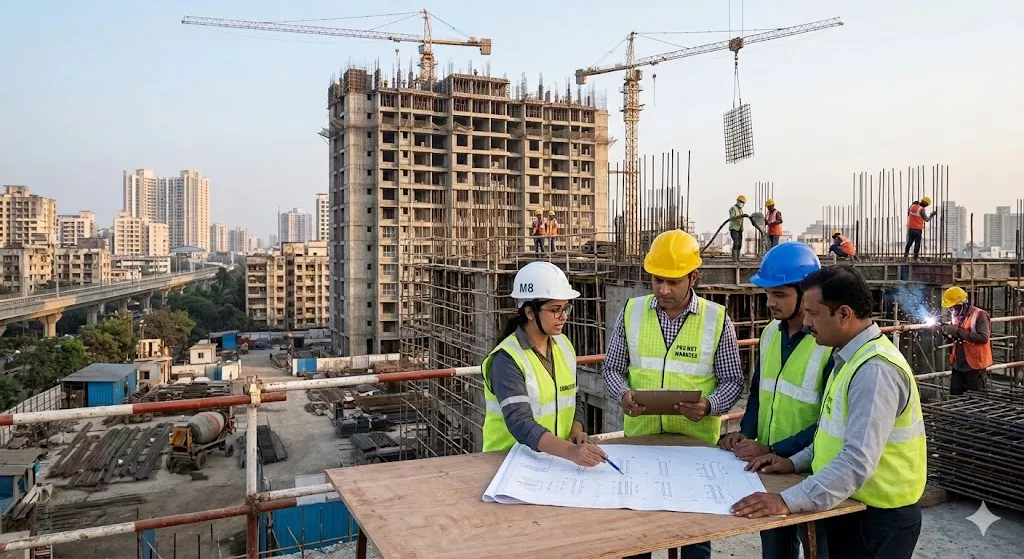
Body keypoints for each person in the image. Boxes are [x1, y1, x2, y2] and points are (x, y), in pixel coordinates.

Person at [731, 265, 926, 559]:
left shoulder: (874, 370)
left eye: (814, 313)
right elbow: (830, 435)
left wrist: (787, 501)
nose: (807, 322)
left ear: (845, 314)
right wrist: (792, 462)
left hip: (876, 520)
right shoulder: (848, 358)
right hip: (850, 507)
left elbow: (857, 460)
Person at [604, 229, 743, 559]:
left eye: (674, 281)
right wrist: (624, 396)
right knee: (637, 534)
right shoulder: (633, 311)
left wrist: (710, 406)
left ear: (694, 277)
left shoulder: (716, 319)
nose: (664, 290)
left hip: (694, 448)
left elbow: (733, 381)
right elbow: (611, 370)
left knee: (693, 535)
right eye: (657, 280)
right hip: (641, 444)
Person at [719, 242, 833, 559]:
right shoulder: (770, 333)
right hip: (769, 468)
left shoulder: (827, 345)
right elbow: (759, 391)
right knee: (775, 549)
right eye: (768, 293)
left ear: (806, 293)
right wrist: (747, 432)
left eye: (780, 294)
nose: (770, 302)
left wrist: (773, 449)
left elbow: (828, 422)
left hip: (810, 470)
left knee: (817, 547)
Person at [481, 261, 608, 467]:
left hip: (553, 461)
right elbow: (520, 423)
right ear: (530, 312)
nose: (564, 316)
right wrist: (571, 452)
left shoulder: (563, 345)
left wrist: (576, 432)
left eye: (566, 308)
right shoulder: (506, 359)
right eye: (555, 310)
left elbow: (574, 398)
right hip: (507, 463)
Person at [939, 286, 992, 395]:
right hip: (958, 364)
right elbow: (957, 336)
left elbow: (983, 338)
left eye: (954, 307)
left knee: (977, 401)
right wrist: (947, 332)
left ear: (963, 303)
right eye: (950, 308)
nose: (952, 310)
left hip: (975, 365)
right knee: (956, 398)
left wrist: (957, 331)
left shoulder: (979, 315)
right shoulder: (956, 315)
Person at [729, 195, 746, 262]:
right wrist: (740, 216)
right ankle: (735, 259)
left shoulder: (741, 210)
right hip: (734, 228)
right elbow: (732, 217)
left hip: (740, 229)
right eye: (741, 202)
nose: (743, 204)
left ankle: (738, 258)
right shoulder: (733, 208)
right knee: (736, 243)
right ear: (738, 201)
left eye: (743, 203)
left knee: (739, 244)